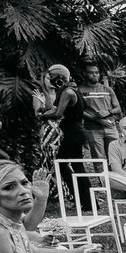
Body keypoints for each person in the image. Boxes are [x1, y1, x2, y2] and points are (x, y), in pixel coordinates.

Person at [37, 64, 87, 203]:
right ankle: (85, 200)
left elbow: (58, 113)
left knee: (65, 164)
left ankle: (84, 200)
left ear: (59, 78)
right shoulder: (72, 90)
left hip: (73, 133)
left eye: (52, 78)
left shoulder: (67, 92)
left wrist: (42, 116)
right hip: (74, 132)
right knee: (73, 165)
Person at [78, 62, 121, 160]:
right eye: (91, 73)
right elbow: (79, 110)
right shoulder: (80, 90)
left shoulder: (107, 89)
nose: (95, 75)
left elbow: (118, 108)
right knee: (98, 158)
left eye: (97, 72)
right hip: (93, 128)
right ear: (85, 74)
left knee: (115, 156)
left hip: (110, 127)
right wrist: (96, 119)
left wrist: (108, 112)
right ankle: (101, 176)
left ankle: (116, 175)